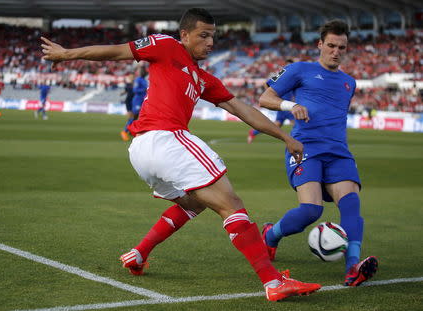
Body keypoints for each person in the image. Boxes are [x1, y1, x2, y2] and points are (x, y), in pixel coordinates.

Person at [41, 8, 321, 301]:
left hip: (141, 152)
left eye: (213, 36)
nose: (210, 42)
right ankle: (273, 282)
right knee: (232, 203)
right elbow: (116, 51)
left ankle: (139, 253)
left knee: (193, 203)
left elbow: (244, 110)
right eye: (203, 35)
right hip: (165, 139)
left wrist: (284, 137)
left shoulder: (203, 78)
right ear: (184, 35)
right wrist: (65, 54)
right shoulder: (166, 45)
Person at [258, 20, 378, 287]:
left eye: (341, 47)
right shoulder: (300, 69)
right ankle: (270, 235)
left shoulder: (349, 83)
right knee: (311, 211)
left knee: (351, 205)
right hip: (305, 149)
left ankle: (353, 266)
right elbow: (264, 98)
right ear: (320, 44)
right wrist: (291, 105)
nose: (336, 51)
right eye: (331, 45)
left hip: (338, 152)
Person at [247, 59, 295, 144]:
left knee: (275, 126)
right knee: (296, 123)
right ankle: (299, 142)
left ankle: (253, 132)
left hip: (285, 105)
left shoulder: (294, 76)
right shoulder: (281, 75)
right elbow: (266, 83)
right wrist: (270, 95)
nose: (291, 67)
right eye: (289, 65)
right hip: (284, 105)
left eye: (292, 65)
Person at [121, 66, 148, 141]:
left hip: (142, 100)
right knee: (134, 116)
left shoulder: (143, 80)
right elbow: (135, 90)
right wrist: (144, 89)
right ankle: (124, 132)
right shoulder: (138, 80)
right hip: (137, 101)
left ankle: (132, 131)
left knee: (137, 118)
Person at [120, 73, 135, 141]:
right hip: (129, 102)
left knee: (133, 118)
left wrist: (122, 93)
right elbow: (127, 91)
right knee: (131, 117)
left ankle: (129, 131)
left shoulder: (132, 85)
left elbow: (125, 91)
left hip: (132, 101)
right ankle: (124, 132)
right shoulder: (130, 85)